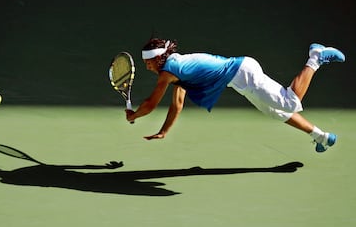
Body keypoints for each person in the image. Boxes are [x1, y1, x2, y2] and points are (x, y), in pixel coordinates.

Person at [125, 38, 345, 152]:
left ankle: (316, 57)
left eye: (148, 63)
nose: (147, 67)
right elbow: (178, 103)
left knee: (290, 101)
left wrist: (134, 116)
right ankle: (320, 136)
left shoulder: (168, 73)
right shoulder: (177, 70)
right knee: (275, 112)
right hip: (240, 79)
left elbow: (151, 104)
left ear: (159, 59)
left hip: (244, 73)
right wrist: (164, 131)